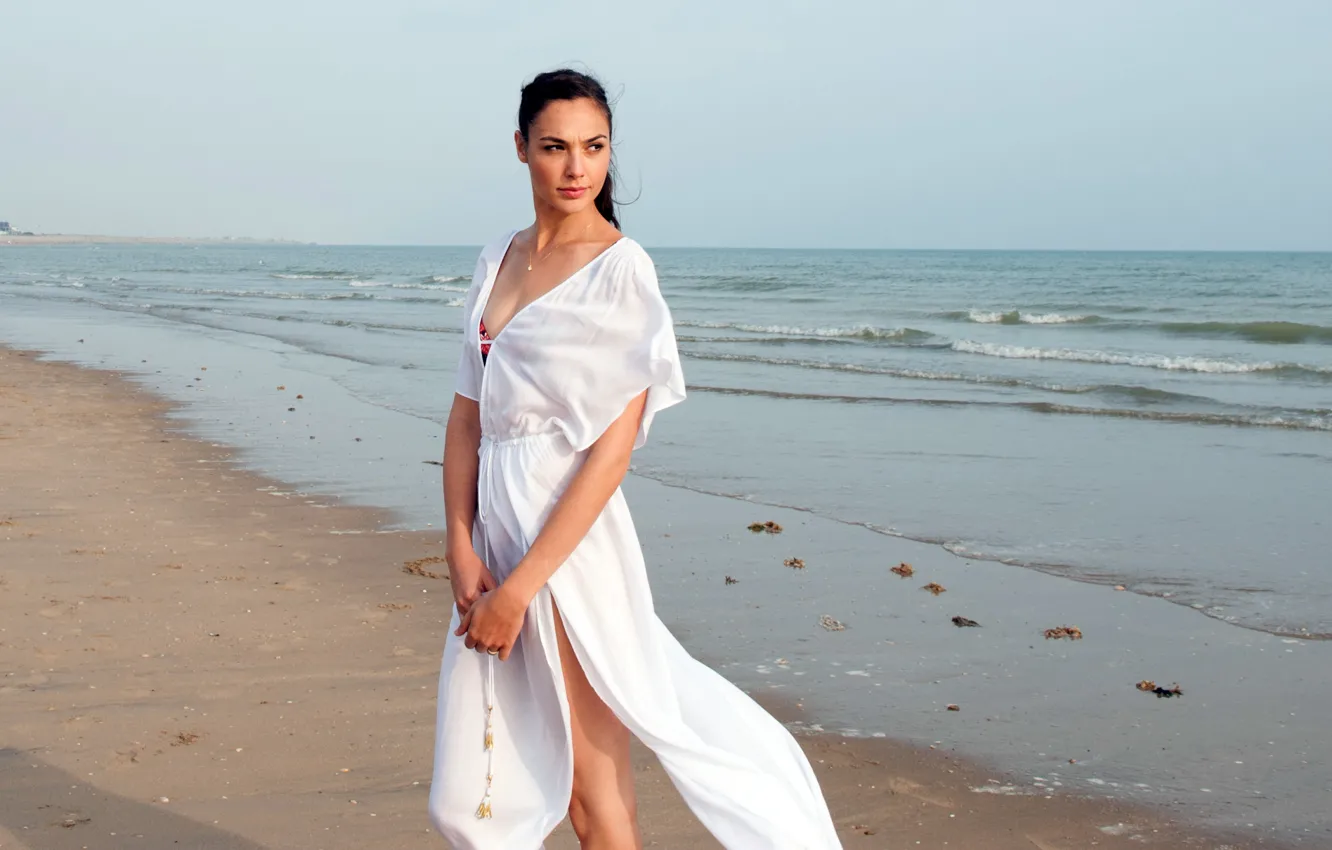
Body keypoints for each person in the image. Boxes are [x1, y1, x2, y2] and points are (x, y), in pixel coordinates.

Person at [429, 68, 842, 850]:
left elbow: (608, 459)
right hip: (492, 539)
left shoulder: (623, 272)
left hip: (569, 548)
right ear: (521, 150)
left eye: (594, 147)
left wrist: (520, 589)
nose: (577, 167)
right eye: (555, 147)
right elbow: (465, 417)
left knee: (595, 791)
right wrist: (458, 541)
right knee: (475, 790)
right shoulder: (496, 259)